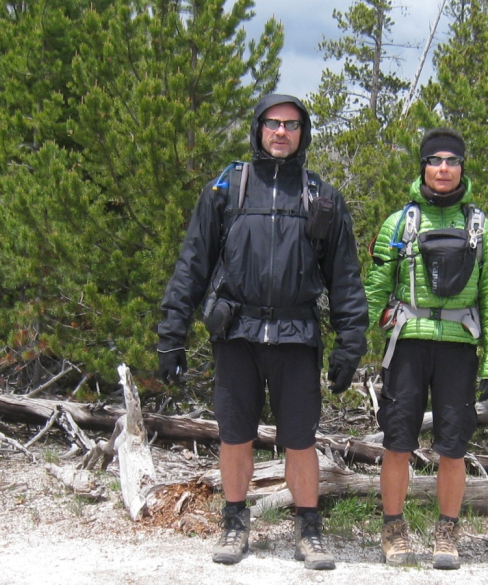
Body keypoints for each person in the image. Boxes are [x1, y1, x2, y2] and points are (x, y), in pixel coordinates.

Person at [157, 94, 368, 570]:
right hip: (237, 332)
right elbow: (192, 264)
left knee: (300, 439)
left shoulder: (322, 197)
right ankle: (234, 523)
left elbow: (345, 278)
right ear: (257, 129)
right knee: (234, 435)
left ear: (303, 134)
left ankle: (309, 530)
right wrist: (172, 332)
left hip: (296, 335)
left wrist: (349, 343)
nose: (280, 133)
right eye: (272, 124)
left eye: (291, 126)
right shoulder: (227, 189)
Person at [365, 128, 488, 570]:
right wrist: (348, 345)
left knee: (453, 446)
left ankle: (447, 532)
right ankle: (393, 528)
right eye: (435, 160)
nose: (443, 168)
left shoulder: (481, 228)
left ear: (463, 166)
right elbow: (374, 291)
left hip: (459, 351)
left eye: (452, 160)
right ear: (423, 166)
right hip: (407, 346)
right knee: (397, 441)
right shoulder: (398, 224)